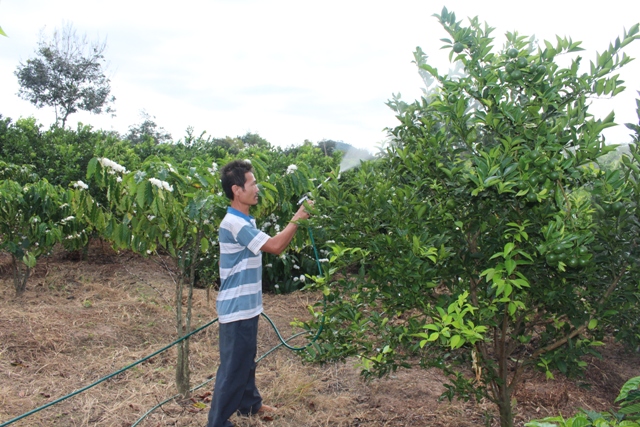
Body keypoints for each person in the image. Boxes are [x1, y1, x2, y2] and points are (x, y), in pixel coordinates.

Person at [207, 159, 312, 427]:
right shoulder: (235, 223)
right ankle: (217, 422)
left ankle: (248, 404)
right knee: (233, 369)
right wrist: (297, 219)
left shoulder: (244, 220)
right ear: (237, 190)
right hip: (237, 309)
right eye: (252, 184)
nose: (257, 188)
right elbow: (276, 246)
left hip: (247, 305)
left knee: (246, 359)